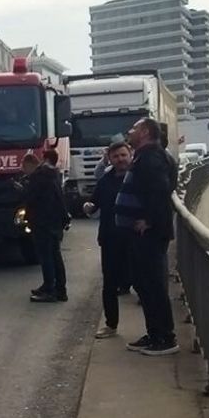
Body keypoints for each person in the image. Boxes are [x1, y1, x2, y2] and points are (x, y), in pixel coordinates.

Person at [115, 117, 179, 355]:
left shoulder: (152, 158)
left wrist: (149, 220)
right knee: (144, 284)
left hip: (149, 234)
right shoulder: (146, 156)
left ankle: (165, 338)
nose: (129, 131)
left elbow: (160, 191)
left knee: (153, 285)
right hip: (142, 234)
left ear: (144, 132)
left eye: (134, 128)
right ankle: (154, 333)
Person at [83, 141, 133, 338]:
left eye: (123, 155)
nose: (120, 159)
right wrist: (88, 206)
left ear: (130, 155)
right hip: (110, 238)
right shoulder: (105, 180)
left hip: (134, 238)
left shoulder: (138, 177)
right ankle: (111, 325)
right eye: (116, 156)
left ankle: (154, 331)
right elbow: (94, 202)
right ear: (110, 159)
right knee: (109, 284)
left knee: (143, 283)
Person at [21, 150, 69, 302]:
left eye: (24, 168)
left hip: (42, 221)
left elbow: (31, 197)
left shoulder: (38, 176)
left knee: (46, 256)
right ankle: (60, 289)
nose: (24, 172)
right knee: (55, 255)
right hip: (54, 220)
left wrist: (22, 188)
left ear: (29, 165)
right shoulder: (53, 174)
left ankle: (50, 289)